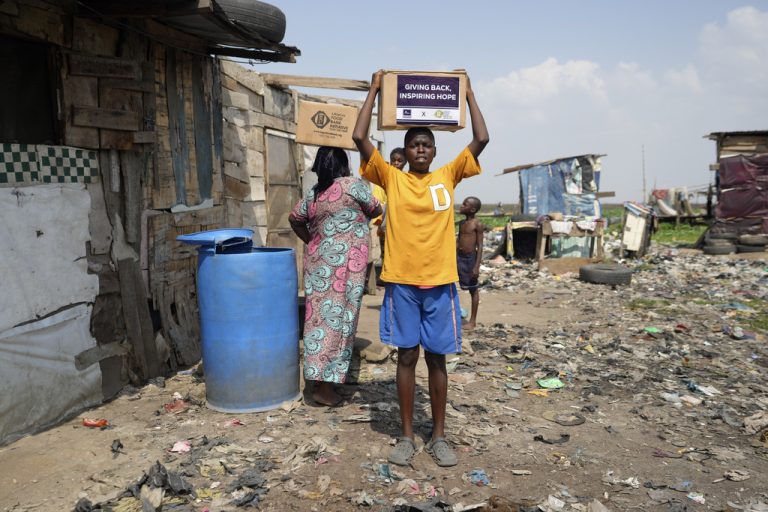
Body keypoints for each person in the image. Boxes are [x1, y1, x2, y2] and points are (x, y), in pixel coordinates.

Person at [352, 70, 489, 467]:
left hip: (441, 283)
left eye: (427, 144)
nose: (421, 150)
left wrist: (469, 95)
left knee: (438, 359)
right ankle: (408, 435)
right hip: (401, 283)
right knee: (407, 357)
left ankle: (440, 435)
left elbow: (481, 139)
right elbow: (360, 139)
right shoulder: (391, 178)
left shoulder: (449, 176)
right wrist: (376, 90)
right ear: (406, 151)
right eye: (414, 145)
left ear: (434, 149)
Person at [289, 147, 383, 407]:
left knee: (318, 321)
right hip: (346, 270)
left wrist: (315, 242)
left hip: (319, 267)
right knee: (340, 323)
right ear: (344, 165)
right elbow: (376, 209)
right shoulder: (353, 185)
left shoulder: (315, 194)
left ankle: (318, 382)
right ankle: (324, 387)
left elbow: (295, 219)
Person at [457, 196, 484, 330]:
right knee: (451, 286)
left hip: (470, 259)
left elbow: (480, 246)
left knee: (473, 289)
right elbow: (458, 241)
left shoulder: (477, 224)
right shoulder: (462, 223)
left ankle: (472, 321)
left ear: (472, 209)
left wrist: (476, 266)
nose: (461, 206)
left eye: (464, 204)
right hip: (458, 258)